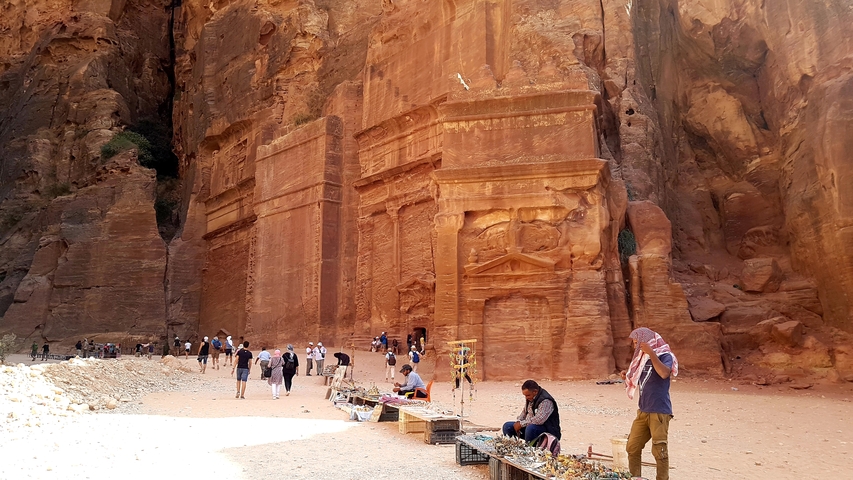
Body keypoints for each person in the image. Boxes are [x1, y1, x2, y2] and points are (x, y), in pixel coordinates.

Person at [620, 327, 678, 480]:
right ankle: (635, 477)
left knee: (660, 451)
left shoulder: (666, 355)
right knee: (632, 447)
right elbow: (643, 380)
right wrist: (627, 376)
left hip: (659, 411)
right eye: (634, 343)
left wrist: (651, 353)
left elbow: (664, 373)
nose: (635, 346)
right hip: (643, 410)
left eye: (636, 343)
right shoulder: (642, 359)